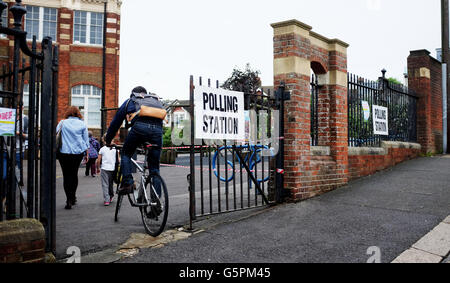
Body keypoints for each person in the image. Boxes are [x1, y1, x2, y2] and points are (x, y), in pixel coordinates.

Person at [105, 86, 166, 195]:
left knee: (126, 154)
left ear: (133, 93)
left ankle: (128, 182)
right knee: (155, 169)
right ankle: (156, 202)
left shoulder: (131, 101)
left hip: (139, 129)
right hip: (157, 131)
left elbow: (116, 123)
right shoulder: (154, 101)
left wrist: (108, 140)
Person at [56, 106, 90, 210]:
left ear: (68, 113)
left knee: (66, 176)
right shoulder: (82, 124)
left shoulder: (62, 123)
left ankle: (68, 199)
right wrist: (87, 153)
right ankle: (73, 196)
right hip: (77, 153)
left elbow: (57, 133)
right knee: (74, 174)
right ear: (78, 113)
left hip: (64, 152)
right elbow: (86, 140)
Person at [96, 136, 118, 206]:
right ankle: (111, 196)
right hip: (113, 169)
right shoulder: (115, 149)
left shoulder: (102, 149)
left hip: (104, 168)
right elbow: (118, 160)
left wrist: (98, 168)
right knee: (110, 183)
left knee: (105, 184)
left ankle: (107, 200)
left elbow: (98, 160)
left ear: (104, 141)